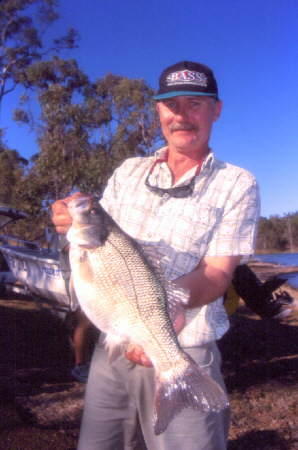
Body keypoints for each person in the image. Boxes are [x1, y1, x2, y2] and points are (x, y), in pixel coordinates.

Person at [52, 61, 260, 449]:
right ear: (159, 111)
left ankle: (179, 378)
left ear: (216, 109)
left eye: (194, 103)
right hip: (112, 346)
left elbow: (217, 273)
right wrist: (68, 222)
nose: (181, 114)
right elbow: (93, 253)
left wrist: (167, 308)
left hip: (185, 347)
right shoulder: (129, 171)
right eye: (171, 104)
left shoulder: (238, 184)